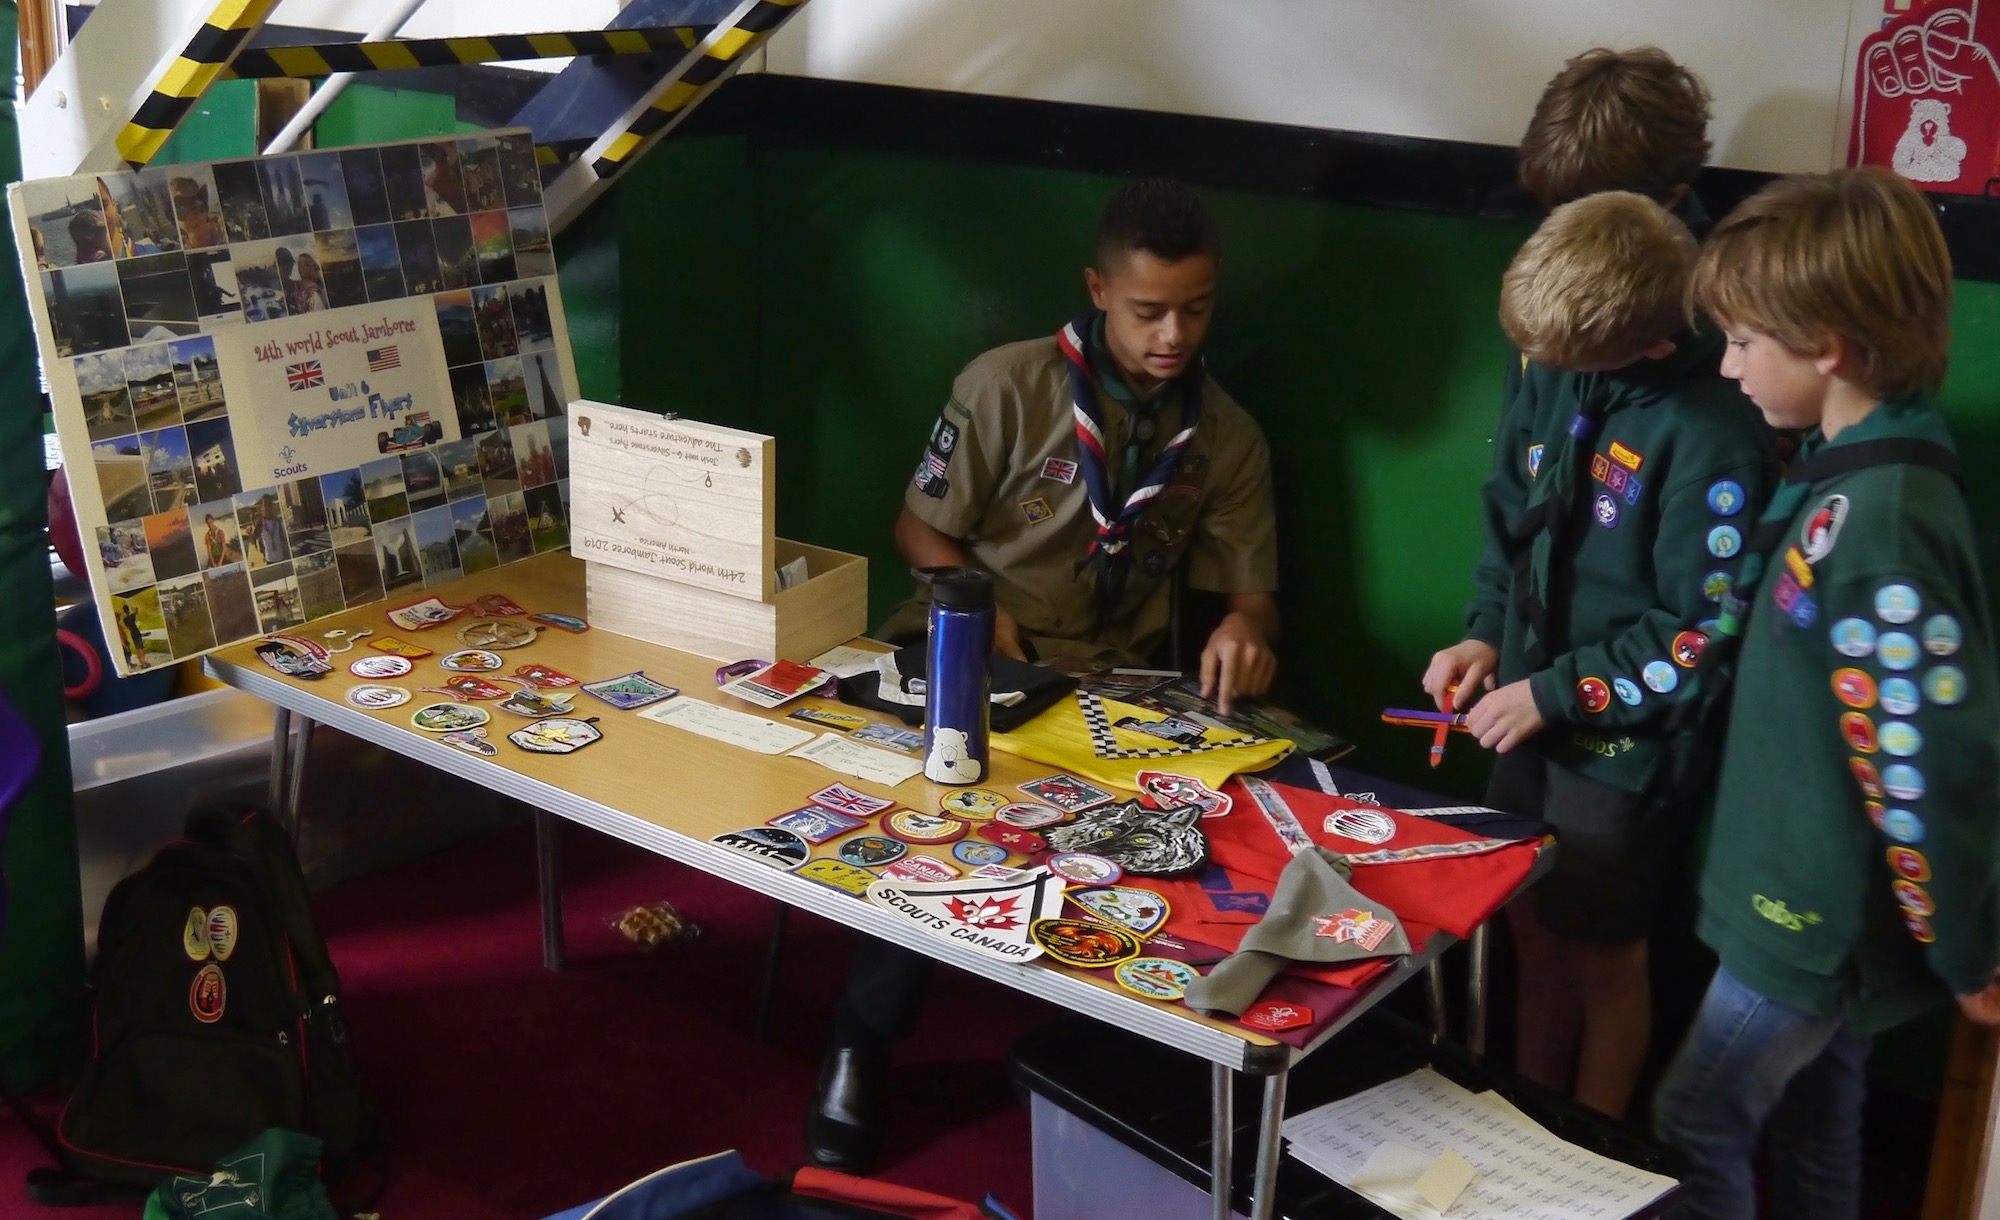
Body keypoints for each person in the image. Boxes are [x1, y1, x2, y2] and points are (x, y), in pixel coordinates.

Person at [807, 179, 1280, 1171]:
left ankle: (1123, 1064)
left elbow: (1248, 597)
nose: (1171, 335)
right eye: (1147, 310)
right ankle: (859, 1041)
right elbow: (918, 527)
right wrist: (985, 608)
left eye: (1194, 309)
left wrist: (1242, 628)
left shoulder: (1222, 434)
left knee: (1211, 811)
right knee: (939, 804)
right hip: (978, 646)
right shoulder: (1007, 385)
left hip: (1117, 682)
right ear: (1096, 287)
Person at [1653, 167, 2000, 1216]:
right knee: (1814, 1124)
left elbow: (1922, 758)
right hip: (1801, 895)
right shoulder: (1840, 467)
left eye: (1744, 341)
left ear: (1828, 347)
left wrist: (1966, 941)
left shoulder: (1879, 523)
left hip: (1810, 918)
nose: (1727, 364)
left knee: (1692, 1118)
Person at [1423, 192, 1777, 1120]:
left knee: (1605, 955)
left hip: (1624, 744)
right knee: (1533, 927)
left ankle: (1593, 1142)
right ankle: (1529, 1114)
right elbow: (1514, 519)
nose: (1539, 371)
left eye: (1565, 360)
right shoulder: (1557, 366)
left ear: (1655, 344)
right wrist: (1485, 633)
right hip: (1532, 709)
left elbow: (1697, 637)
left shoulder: (1714, 435)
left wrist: (1560, 691)